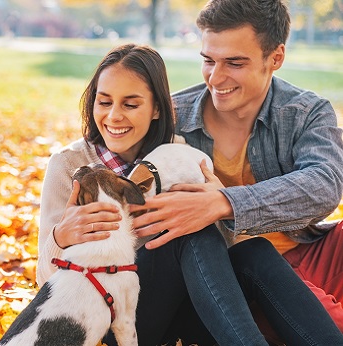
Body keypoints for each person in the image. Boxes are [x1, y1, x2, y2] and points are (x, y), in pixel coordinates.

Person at [36, 43, 341, 345]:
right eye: (104, 102)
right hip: (115, 319)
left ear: (158, 109)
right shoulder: (70, 166)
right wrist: (61, 238)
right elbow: (46, 285)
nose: (114, 116)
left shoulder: (177, 155)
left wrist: (221, 202)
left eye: (130, 104)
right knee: (187, 235)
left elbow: (215, 260)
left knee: (255, 252)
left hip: (188, 310)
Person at [129, 0, 343, 343]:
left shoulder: (305, 113)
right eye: (209, 60)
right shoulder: (172, 115)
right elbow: (107, 159)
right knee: (327, 324)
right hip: (229, 282)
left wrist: (225, 202)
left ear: (276, 58)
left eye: (235, 63)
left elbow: (325, 183)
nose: (216, 77)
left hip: (302, 250)